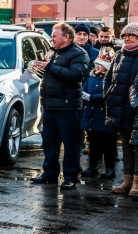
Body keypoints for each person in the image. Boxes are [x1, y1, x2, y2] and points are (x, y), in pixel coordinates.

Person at [30, 22, 89, 190]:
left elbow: (75, 75)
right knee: (49, 143)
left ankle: (70, 177)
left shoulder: (78, 54)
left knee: (71, 144)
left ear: (66, 37)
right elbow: (51, 73)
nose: (52, 39)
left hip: (68, 107)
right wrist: (39, 68)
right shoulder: (53, 52)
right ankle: (49, 174)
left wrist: (49, 66)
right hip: (49, 106)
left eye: (55, 36)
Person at [104, 22, 138, 195]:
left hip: (136, 109)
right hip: (119, 107)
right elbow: (108, 78)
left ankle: (136, 184)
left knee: (137, 146)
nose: (127, 38)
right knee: (125, 145)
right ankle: (127, 181)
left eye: (131, 35)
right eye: (125, 35)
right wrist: (107, 94)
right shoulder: (119, 55)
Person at [81, 49, 116, 180]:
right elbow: (83, 89)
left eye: (100, 64)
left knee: (108, 145)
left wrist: (91, 97)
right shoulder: (91, 78)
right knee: (93, 143)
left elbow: (107, 95)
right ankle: (92, 167)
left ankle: (110, 169)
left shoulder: (110, 79)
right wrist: (84, 95)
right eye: (96, 64)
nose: (97, 66)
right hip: (92, 115)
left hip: (105, 115)